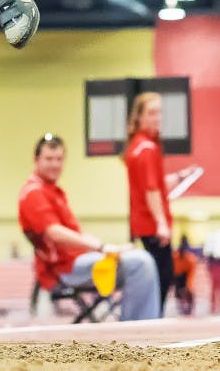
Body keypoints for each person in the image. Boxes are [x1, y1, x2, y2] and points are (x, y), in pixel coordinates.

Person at [18, 133, 160, 322]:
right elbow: (55, 233)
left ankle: (139, 324)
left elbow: (76, 234)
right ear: (36, 160)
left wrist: (111, 249)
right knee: (141, 263)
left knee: (139, 259)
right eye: (49, 159)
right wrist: (102, 248)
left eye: (59, 159)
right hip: (64, 270)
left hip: (78, 260)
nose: (55, 164)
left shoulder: (52, 191)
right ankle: (135, 330)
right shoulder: (34, 193)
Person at [123, 92, 198, 313]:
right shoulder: (148, 149)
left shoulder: (137, 146)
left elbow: (155, 183)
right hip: (151, 225)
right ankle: (153, 320)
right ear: (139, 117)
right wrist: (161, 223)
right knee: (163, 277)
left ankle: (152, 318)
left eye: (159, 112)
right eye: (151, 113)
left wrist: (180, 177)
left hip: (143, 223)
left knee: (158, 275)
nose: (157, 118)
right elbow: (151, 190)